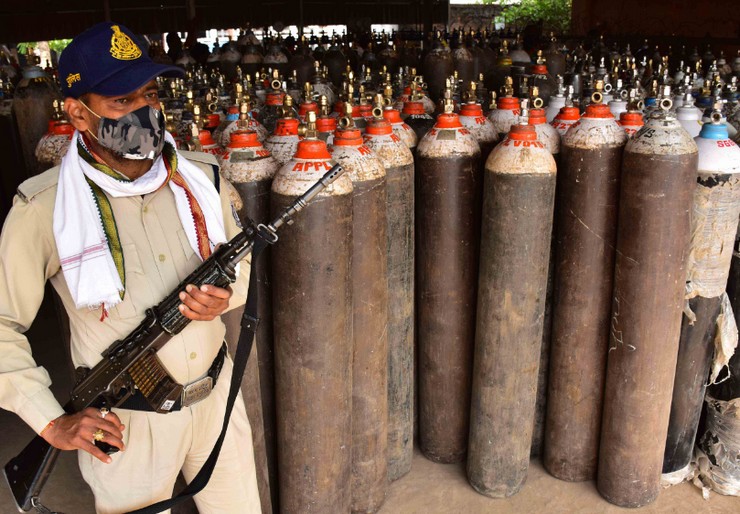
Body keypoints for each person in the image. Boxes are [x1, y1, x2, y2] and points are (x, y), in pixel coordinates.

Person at [0, 22, 260, 514]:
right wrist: (51, 422)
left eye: (151, 94)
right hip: (126, 423)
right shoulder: (46, 209)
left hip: (217, 399)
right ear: (78, 113)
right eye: (122, 100)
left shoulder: (201, 179)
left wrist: (226, 297)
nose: (145, 111)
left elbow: (239, 269)